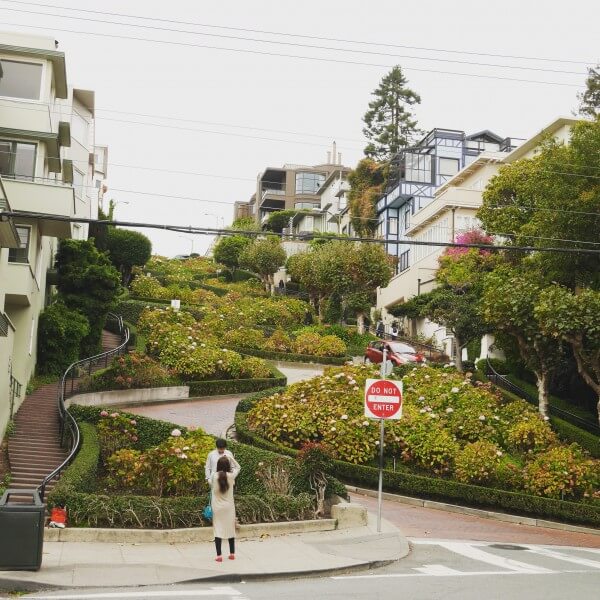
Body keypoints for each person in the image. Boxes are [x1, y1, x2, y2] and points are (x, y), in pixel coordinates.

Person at [211, 456, 238, 562]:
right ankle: (232, 554)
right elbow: (238, 467)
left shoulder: (214, 476)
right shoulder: (231, 476)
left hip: (217, 507)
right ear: (228, 466)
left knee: (218, 529)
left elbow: (212, 479)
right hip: (229, 507)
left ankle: (219, 556)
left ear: (218, 465)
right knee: (230, 528)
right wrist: (231, 458)